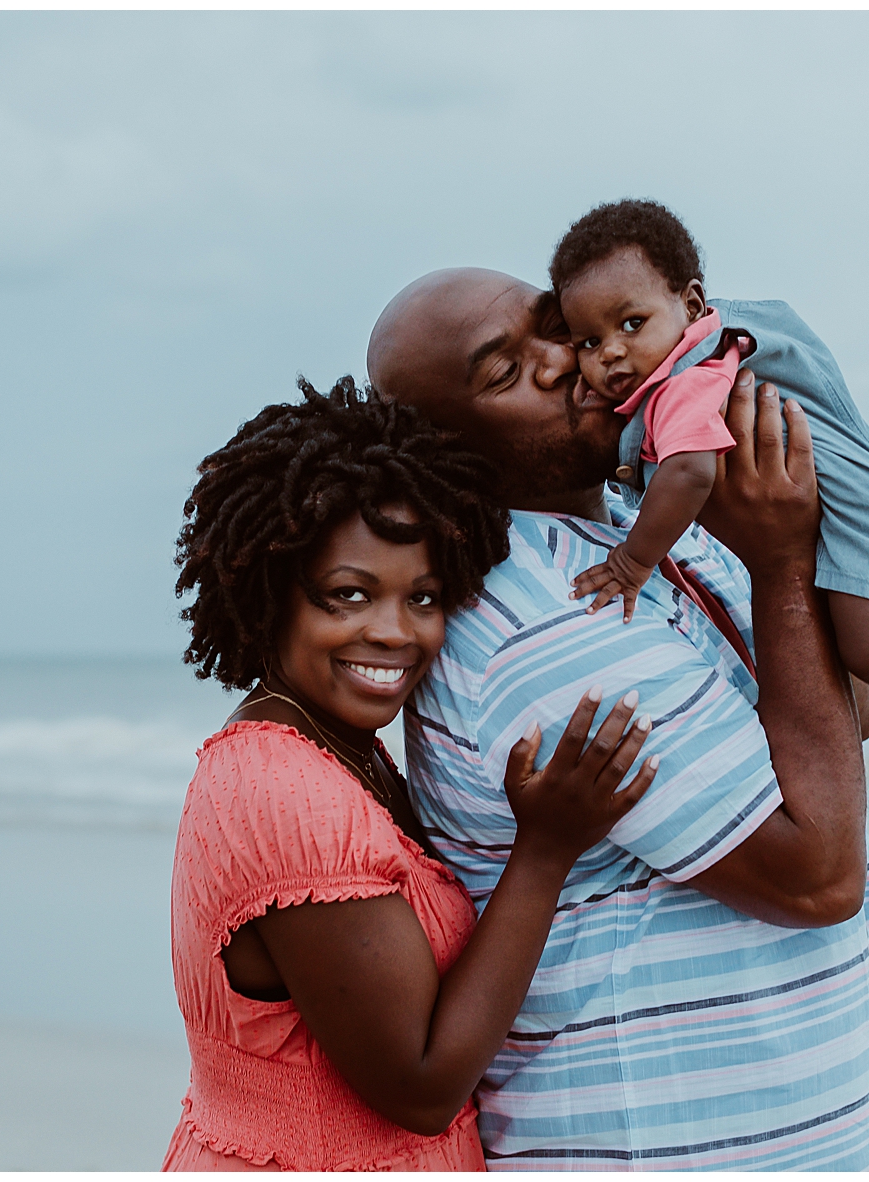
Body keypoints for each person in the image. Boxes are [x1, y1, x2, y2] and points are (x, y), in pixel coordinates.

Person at [368, 269, 869, 1169]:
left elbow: (843, 716)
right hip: (675, 1143)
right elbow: (816, 877)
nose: (564, 363)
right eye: (504, 373)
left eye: (553, 327)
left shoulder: (648, 522)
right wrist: (783, 562)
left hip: (799, 1120)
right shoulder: (539, 615)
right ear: (447, 453)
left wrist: (784, 551)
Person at [164, 377, 663, 1171]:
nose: (394, 633)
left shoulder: (339, 751)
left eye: (424, 597)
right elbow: (422, 1086)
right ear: (268, 597)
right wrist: (545, 850)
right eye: (348, 595)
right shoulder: (281, 792)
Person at [553, 199, 869, 770]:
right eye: (588, 343)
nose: (612, 350)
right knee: (857, 614)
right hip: (867, 496)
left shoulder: (688, 380)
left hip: (864, 511)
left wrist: (631, 563)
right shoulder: (705, 347)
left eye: (632, 324)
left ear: (690, 304)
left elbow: (690, 470)